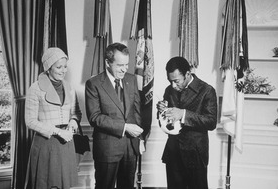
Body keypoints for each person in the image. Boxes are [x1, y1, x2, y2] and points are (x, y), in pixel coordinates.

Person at [85, 42, 143, 189]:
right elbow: (95, 117)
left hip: (131, 148)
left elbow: (136, 111)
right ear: (107, 62)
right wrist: (124, 127)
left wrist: (140, 138)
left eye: (126, 65)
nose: (124, 69)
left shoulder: (131, 80)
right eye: (119, 65)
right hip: (107, 149)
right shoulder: (94, 83)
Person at [156, 56, 217, 189]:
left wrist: (183, 114)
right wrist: (161, 110)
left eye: (176, 81)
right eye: (170, 81)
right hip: (173, 153)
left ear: (188, 74)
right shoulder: (169, 90)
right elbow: (166, 121)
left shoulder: (207, 90)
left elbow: (211, 122)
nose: (173, 85)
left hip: (195, 154)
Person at [25, 47, 81, 189]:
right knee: (48, 184)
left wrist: (73, 122)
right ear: (49, 68)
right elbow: (30, 121)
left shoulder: (69, 87)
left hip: (66, 144)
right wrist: (58, 131)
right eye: (59, 67)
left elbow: (76, 112)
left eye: (65, 66)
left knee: (65, 185)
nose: (63, 70)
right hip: (46, 144)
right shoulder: (35, 88)